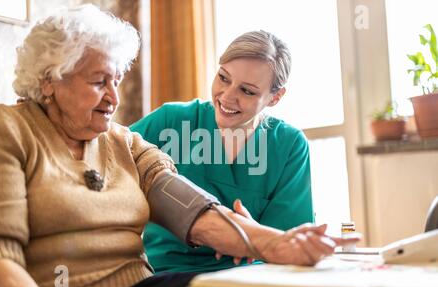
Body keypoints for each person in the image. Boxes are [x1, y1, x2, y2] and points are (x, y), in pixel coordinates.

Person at [0, 5, 358, 287]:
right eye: (99, 82)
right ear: (50, 79)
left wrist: (277, 242)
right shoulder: (6, 129)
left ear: (274, 98)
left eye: (116, 81)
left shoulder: (124, 143)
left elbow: (195, 211)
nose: (115, 98)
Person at [130, 31, 314, 273]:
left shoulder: (289, 146)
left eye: (247, 91)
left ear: (275, 98)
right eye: (223, 78)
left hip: (250, 280)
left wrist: (252, 237)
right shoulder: (170, 121)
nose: (227, 97)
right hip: (165, 276)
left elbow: (290, 247)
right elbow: (107, 159)